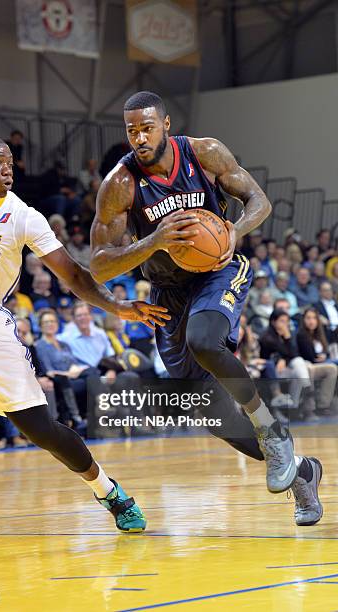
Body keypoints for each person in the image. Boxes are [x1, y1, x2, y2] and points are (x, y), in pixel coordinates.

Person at [90, 91, 322, 526]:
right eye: (131, 130)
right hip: (168, 295)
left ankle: (272, 431)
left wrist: (234, 231)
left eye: (147, 127)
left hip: (219, 271)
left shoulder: (204, 152)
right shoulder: (120, 184)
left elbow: (260, 202)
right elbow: (100, 264)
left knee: (204, 340)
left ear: (166, 124)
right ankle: (304, 473)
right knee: (209, 412)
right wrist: (153, 241)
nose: (139, 137)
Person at [0, 132, 170, 532]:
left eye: (10, 162)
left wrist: (117, 306)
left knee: (40, 428)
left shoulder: (23, 216)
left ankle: (109, 491)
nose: (9, 169)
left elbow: (73, 274)